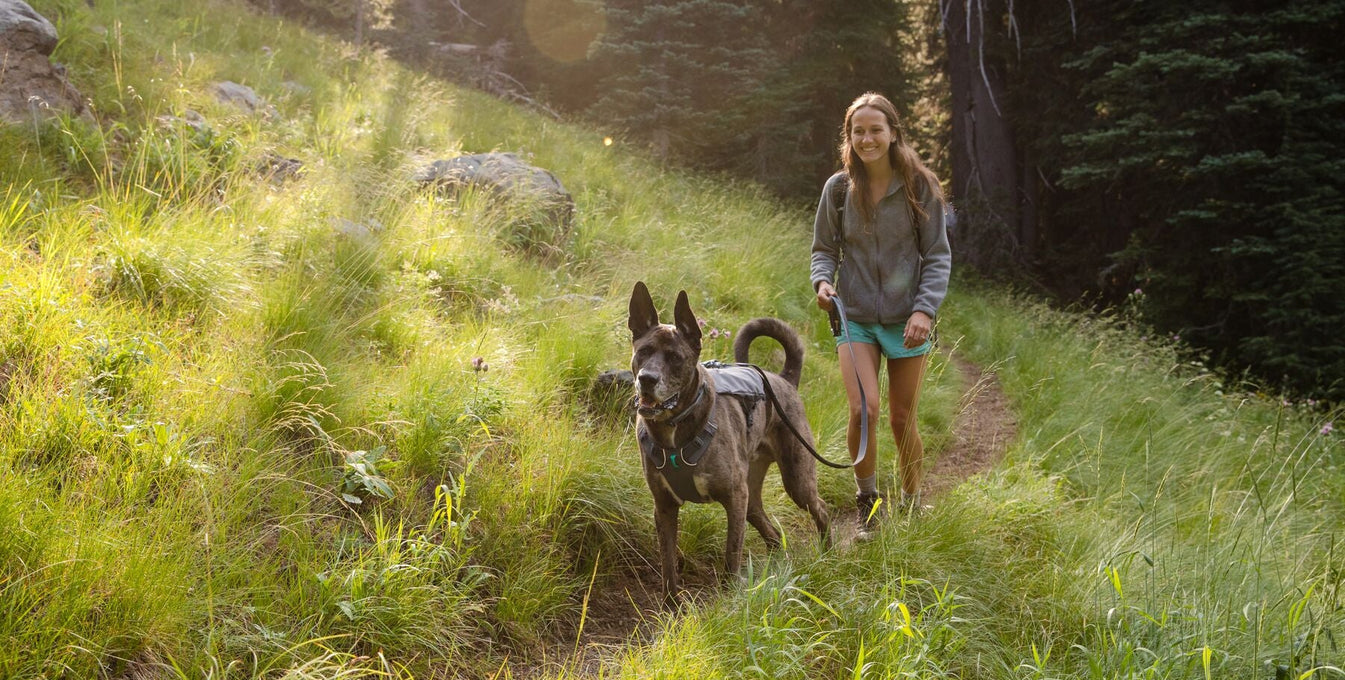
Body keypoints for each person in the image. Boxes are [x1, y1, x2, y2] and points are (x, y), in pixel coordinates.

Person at [810, 92, 952, 533]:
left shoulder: (919, 186)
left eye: (876, 130)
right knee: (864, 411)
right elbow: (822, 250)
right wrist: (823, 281)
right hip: (853, 316)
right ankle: (868, 502)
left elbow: (938, 256)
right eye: (859, 131)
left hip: (908, 320)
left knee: (901, 418)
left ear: (893, 133)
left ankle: (911, 500)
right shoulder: (837, 190)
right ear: (849, 137)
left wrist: (924, 311)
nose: (867, 139)